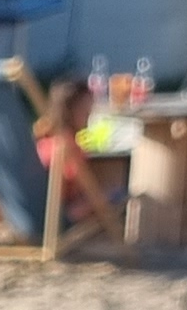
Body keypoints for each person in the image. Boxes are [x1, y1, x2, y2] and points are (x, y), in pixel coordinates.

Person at [34, 74, 123, 235]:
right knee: (118, 194)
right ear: (70, 110)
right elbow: (78, 184)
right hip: (56, 219)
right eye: (86, 112)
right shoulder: (65, 146)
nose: (90, 117)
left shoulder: (43, 136)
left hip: (34, 213)